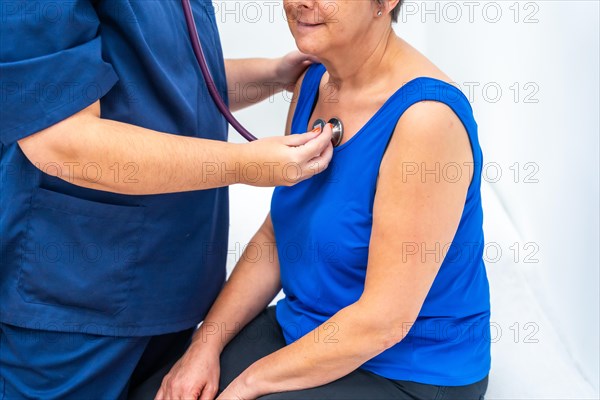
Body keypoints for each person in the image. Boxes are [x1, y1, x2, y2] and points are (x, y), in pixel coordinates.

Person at [149, 0, 492, 399]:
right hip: (307, 330)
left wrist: (246, 384)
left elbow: (382, 322)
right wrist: (203, 346)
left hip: (407, 369)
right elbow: (278, 237)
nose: (301, 3)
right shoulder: (312, 82)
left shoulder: (426, 119)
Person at [0, 0, 333, 398]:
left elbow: (167, 82)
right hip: (75, 299)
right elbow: (62, 143)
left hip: (176, 290)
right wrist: (248, 165)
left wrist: (274, 74)